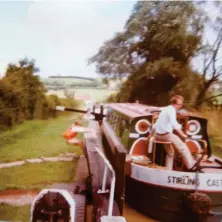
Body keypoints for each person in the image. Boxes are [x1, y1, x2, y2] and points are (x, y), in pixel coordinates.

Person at [150, 95, 196, 170]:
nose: (180, 106)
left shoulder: (165, 110)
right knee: (182, 147)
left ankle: (168, 169)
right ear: (174, 103)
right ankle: (191, 166)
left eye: (181, 104)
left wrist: (150, 136)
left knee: (171, 152)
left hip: (158, 136)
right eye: (179, 104)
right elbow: (174, 124)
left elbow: (155, 125)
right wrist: (183, 134)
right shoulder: (171, 110)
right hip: (166, 136)